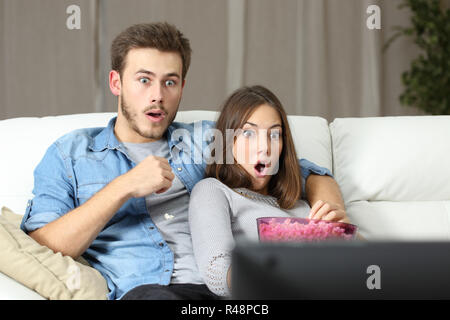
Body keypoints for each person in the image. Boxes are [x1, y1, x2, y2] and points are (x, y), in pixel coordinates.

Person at [20, 22, 347, 300]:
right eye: (144, 80)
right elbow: (43, 246)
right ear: (116, 83)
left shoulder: (207, 140)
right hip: (149, 291)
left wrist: (330, 216)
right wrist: (122, 187)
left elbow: (301, 171)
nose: (157, 95)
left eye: (170, 82)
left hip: (225, 290)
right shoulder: (72, 154)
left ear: (182, 86)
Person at [189, 85, 351, 297]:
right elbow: (216, 272)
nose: (264, 147)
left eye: (275, 135)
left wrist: (345, 232)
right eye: (248, 133)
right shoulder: (213, 190)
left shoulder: (301, 203)